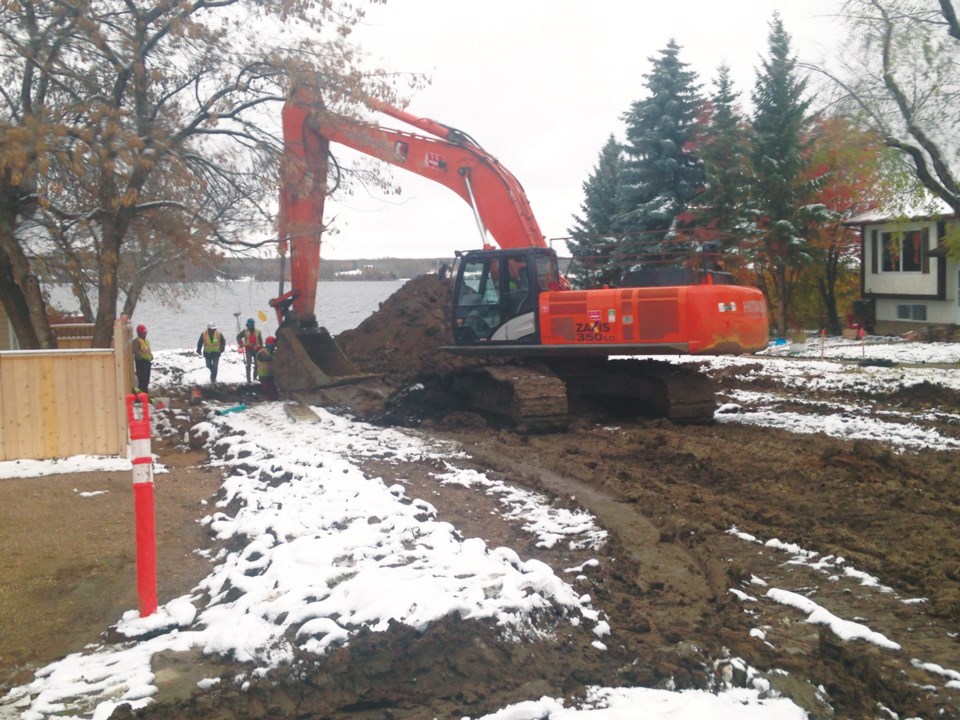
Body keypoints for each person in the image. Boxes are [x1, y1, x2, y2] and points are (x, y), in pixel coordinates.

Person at [236, 317, 263, 383]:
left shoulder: (258, 331)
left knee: (257, 364)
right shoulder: (245, 331)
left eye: (251, 325)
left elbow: (260, 341)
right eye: (249, 325)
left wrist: (261, 349)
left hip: (257, 350)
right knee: (248, 364)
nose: (250, 327)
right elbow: (238, 337)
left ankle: (255, 377)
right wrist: (241, 343)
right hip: (248, 349)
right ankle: (248, 379)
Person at [131, 324, 152, 394]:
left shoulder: (146, 341)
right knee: (142, 381)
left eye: (145, 333)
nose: (145, 334)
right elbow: (136, 351)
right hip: (141, 363)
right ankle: (140, 396)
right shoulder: (137, 341)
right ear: (139, 333)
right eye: (143, 333)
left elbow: (148, 350)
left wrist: (150, 357)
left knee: (146, 381)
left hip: (147, 362)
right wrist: (142, 357)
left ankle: (145, 395)